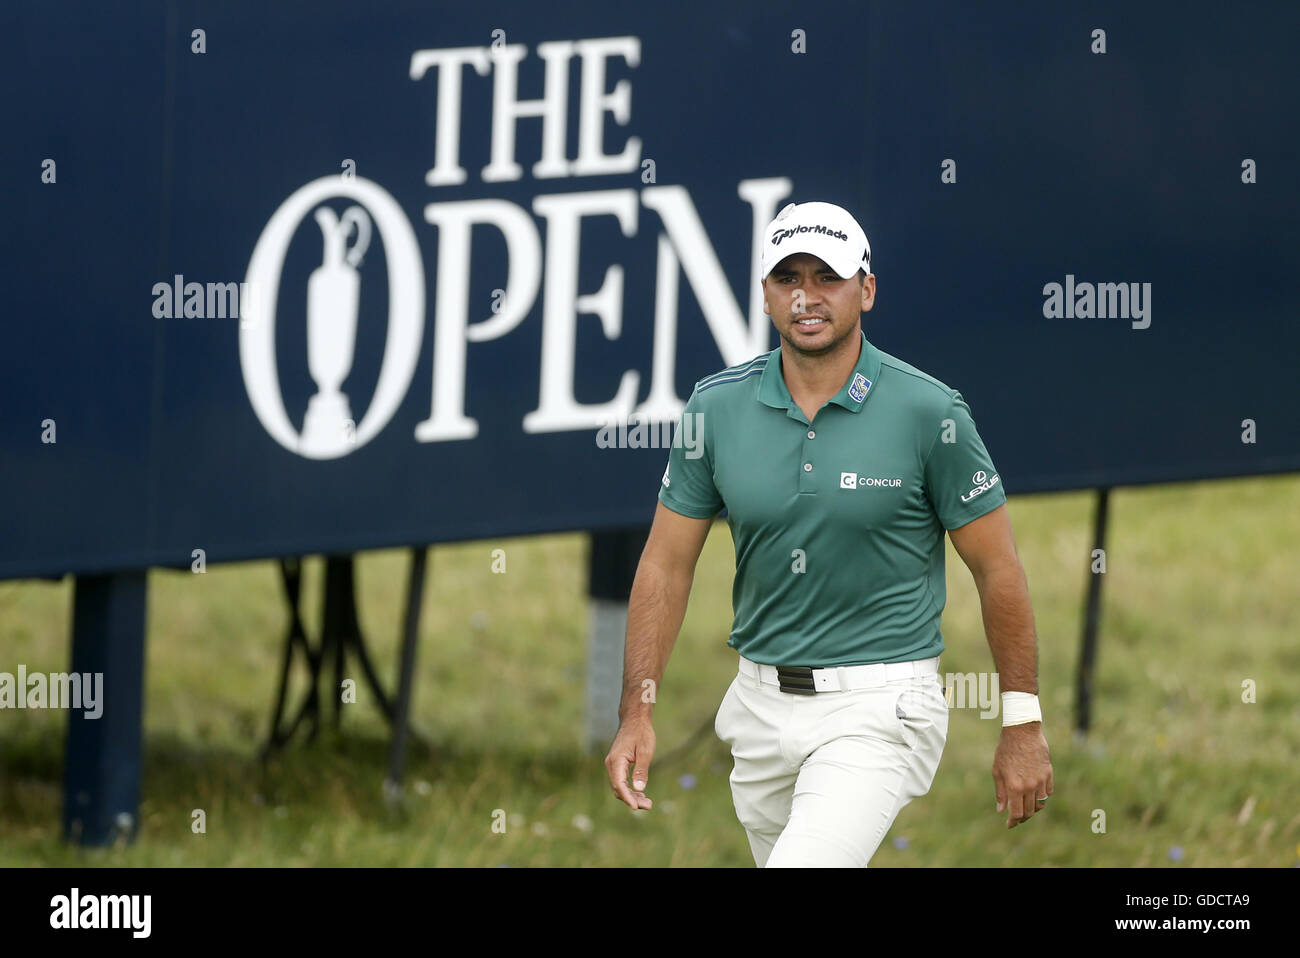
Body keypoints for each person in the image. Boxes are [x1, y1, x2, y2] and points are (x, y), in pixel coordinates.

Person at [605, 201, 1053, 867]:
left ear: (866, 290)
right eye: (788, 279)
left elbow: (999, 571)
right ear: (764, 294)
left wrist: (1021, 721)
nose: (806, 297)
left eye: (827, 278)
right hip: (757, 708)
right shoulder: (714, 408)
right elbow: (666, 566)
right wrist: (636, 712)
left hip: (880, 708)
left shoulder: (931, 412)